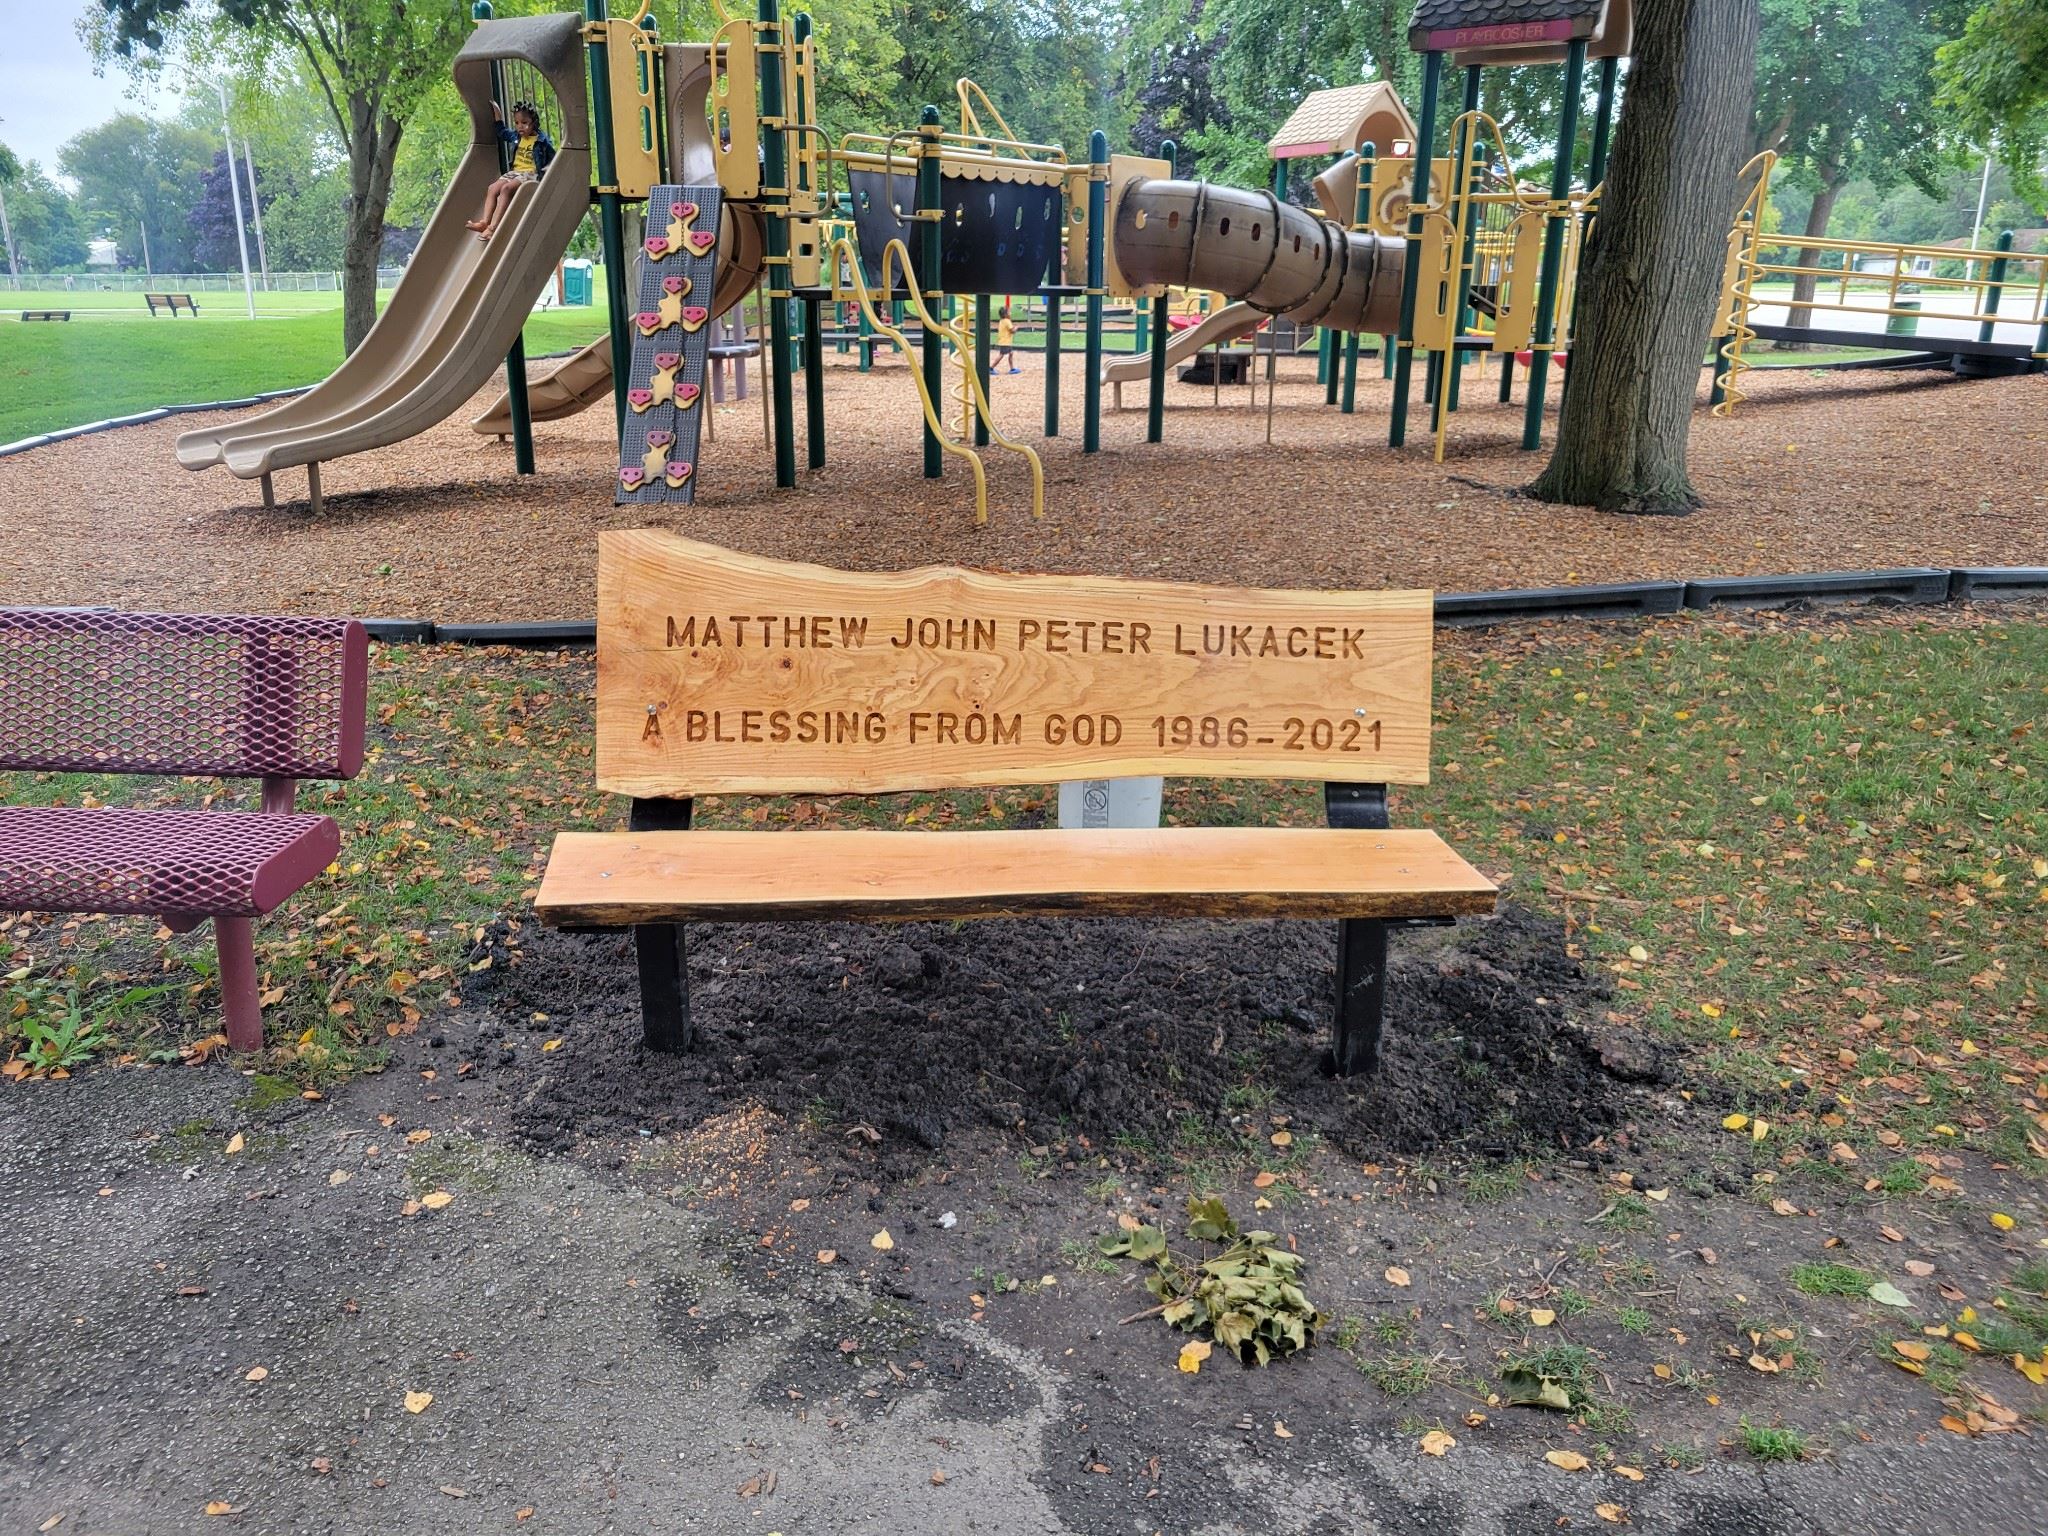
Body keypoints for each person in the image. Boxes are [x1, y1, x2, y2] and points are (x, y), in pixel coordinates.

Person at [469, 100, 554, 239]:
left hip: (530, 173)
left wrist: (545, 176)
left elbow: (553, 159)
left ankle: (493, 228)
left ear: (534, 122)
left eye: (524, 123)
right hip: (515, 172)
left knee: (506, 189)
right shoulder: (516, 137)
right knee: (492, 188)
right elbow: (502, 132)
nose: (520, 126)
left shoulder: (542, 141)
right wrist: (497, 114)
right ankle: (485, 222)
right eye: (517, 123)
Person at [994, 302, 1020, 373]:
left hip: (1004, 341)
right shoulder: (1007, 321)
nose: (1010, 313)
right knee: (1001, 355)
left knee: (1011, 353)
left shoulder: (1002, 321)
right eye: (1009, 312)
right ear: (1006, 314)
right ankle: (991, 367)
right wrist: (1016, 327)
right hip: (1005, 342)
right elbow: (1012, 331)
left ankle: (1012, 368)